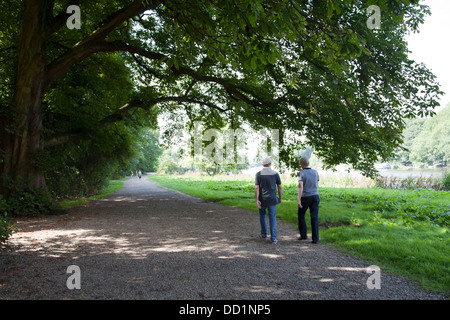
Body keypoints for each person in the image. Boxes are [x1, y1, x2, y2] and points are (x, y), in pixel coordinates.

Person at [255, 157, 282, 244]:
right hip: (272, 200)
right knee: (272, 218)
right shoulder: (275, 174)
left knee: (262, 215)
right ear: (270, 164)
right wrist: (280, 198)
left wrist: (257, 199)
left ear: (262, 164)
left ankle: (264, 234)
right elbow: (279, 187)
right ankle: (273, 238)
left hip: (262, 200)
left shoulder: (258, 174)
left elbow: (256, 188)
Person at [297, 157, 320, 243]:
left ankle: (303, 235)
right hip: (315, 196)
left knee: (301, 215)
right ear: (308, 163)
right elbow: (317, 184)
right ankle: (316, 239)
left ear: (301, 164)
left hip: (305, 197)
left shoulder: (301, 173)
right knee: (314, 217)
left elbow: (300, 186)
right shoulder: (315, 172)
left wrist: (299, 199)